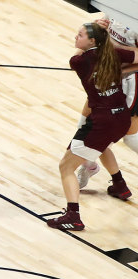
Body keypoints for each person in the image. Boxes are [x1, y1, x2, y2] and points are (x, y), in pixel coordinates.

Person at [48, 23, 137, 230]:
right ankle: (119, 185)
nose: (75, 37)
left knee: (65, 166)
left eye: (80, 35)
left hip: (101, 121)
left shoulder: (79, 61)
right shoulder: (115, 54)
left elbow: (77, 53)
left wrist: (97, 27)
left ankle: (73, 216)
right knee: (101, 145)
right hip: (120, 117)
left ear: (92, 41)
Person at [75, 16, 136, 201]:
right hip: (105, 78)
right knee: (85, 126)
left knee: (128, 138)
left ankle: (91, 167)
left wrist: (113, 57)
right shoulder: (115, 6)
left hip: (128, 83)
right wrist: (98, 29)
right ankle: (112, 180)